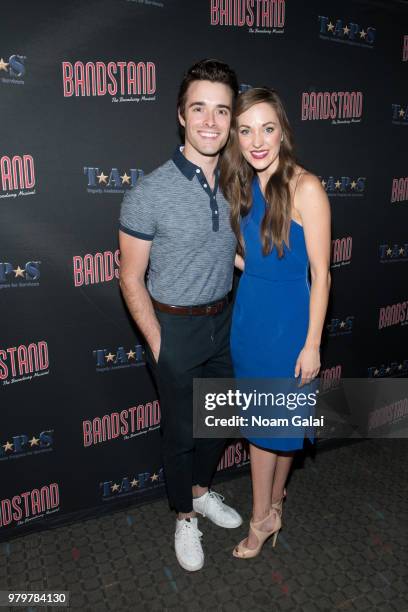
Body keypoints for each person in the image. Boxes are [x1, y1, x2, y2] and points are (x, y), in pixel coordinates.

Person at [118, 59, 242, 572]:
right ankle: (183, 517)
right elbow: (129, 277)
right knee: (181, 433)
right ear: (181, 115)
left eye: (221, 110)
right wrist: (158, 341)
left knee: (219, 421)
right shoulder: (148, 192)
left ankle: (201, 491)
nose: (210, 121)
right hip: (174, 327)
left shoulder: (237, 185)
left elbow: (235, 253)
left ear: (232, 120)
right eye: (199, 109)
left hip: (224, 323)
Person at [220, 87, 331, 558]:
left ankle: (260, 519)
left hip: (289, 328)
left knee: (273, 430)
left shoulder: (306, 186)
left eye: (267, 128)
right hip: (250, 320)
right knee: (268, 427)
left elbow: (321, 274)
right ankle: (273, 508)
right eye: (245, 130)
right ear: (236, 138)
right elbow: (256, 260)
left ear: (283, 130)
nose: (257, 140)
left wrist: (312, 344)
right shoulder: (246, 187)